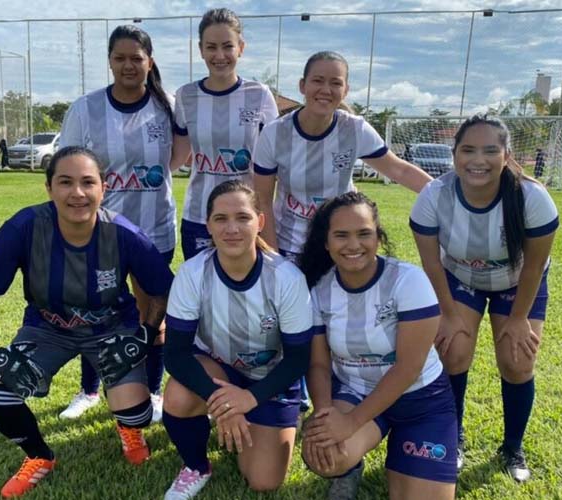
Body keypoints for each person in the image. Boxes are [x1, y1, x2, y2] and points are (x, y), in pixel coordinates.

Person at [0, 146, 173, 497]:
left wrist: (145, 333)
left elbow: (163, 291)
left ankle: (129, 428)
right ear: (49, 188)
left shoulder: (124, 234)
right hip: (47, 329)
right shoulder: (24, 227)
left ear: (103, 189)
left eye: (87, 182)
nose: (77, 193)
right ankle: (39, 457)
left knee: (137, 412)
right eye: (65, 182)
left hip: (111, 329)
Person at [409, 115, 559, 482]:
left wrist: (519, 318)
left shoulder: (532, 197)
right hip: (460, 279)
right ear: (454, 155)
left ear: (506, 155)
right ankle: (453, 438)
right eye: (468, 150)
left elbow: (534, 266)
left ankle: (512, 447)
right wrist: (447, 313)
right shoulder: (434, 196)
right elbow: (431, 262)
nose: (479, 159)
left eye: (491, 150)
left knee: (517, 361)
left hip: (516, 281)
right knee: (454, 351)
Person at [161, 180, 313, 499]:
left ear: (260, 222)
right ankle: (196, 466)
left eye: (243, 217)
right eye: (221, 219)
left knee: (262, 480)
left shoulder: (286, 278)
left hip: (271, 379)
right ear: (208, 226)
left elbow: (299, 358)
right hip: (220, 370)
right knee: (177, 395)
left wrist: (251, 399)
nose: (232, 228)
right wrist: (225, 405)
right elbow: (175, 355)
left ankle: (284, 414)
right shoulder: (192, 274)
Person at [299, 192, 456, 500]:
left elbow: (408, 368)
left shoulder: (409, 281)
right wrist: (326, 415)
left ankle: (405, 453)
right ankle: (350, 467)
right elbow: (317, 364)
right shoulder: (319, 291)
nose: (353, 245)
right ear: (326, 242)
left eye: (364, 234)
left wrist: (350, 424)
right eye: (341, 235)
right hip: (356, 392)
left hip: (420, 400)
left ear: (379, 238)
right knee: (324, 453)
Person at [59, 25, 179, 421]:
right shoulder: (87, 108)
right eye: (119, 58)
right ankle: (89, 390)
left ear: (150, 61)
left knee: (153, 313)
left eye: (136, 58)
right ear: (109, 61)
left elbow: (181, 155)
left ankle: (154, 391)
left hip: (154, 231)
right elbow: (68, 167)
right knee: (96, 314)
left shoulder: (169, 106)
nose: (128, 65)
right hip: (100, 234)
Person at [253, 51, 431, 260]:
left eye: (336, 83)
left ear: (345, 90)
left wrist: (445, 196)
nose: (326, 90)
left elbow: (400, 170)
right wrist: (275, 259)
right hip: (289, 246)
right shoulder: (275, 134)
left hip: (342, 248)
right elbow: (262, 200)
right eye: (318, 80)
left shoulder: (355, 129)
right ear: (303, 85)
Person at [170, 7, 279, 261]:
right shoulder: (186, 96)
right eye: (211, 47)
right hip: (199, 215)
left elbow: (276, 159)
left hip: (247, 215)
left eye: (227, 46)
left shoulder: (259, 95)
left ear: (240, 47)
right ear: (201, 50)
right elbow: (178, 156)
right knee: (203, 289)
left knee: (248, 289)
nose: (219, 55)